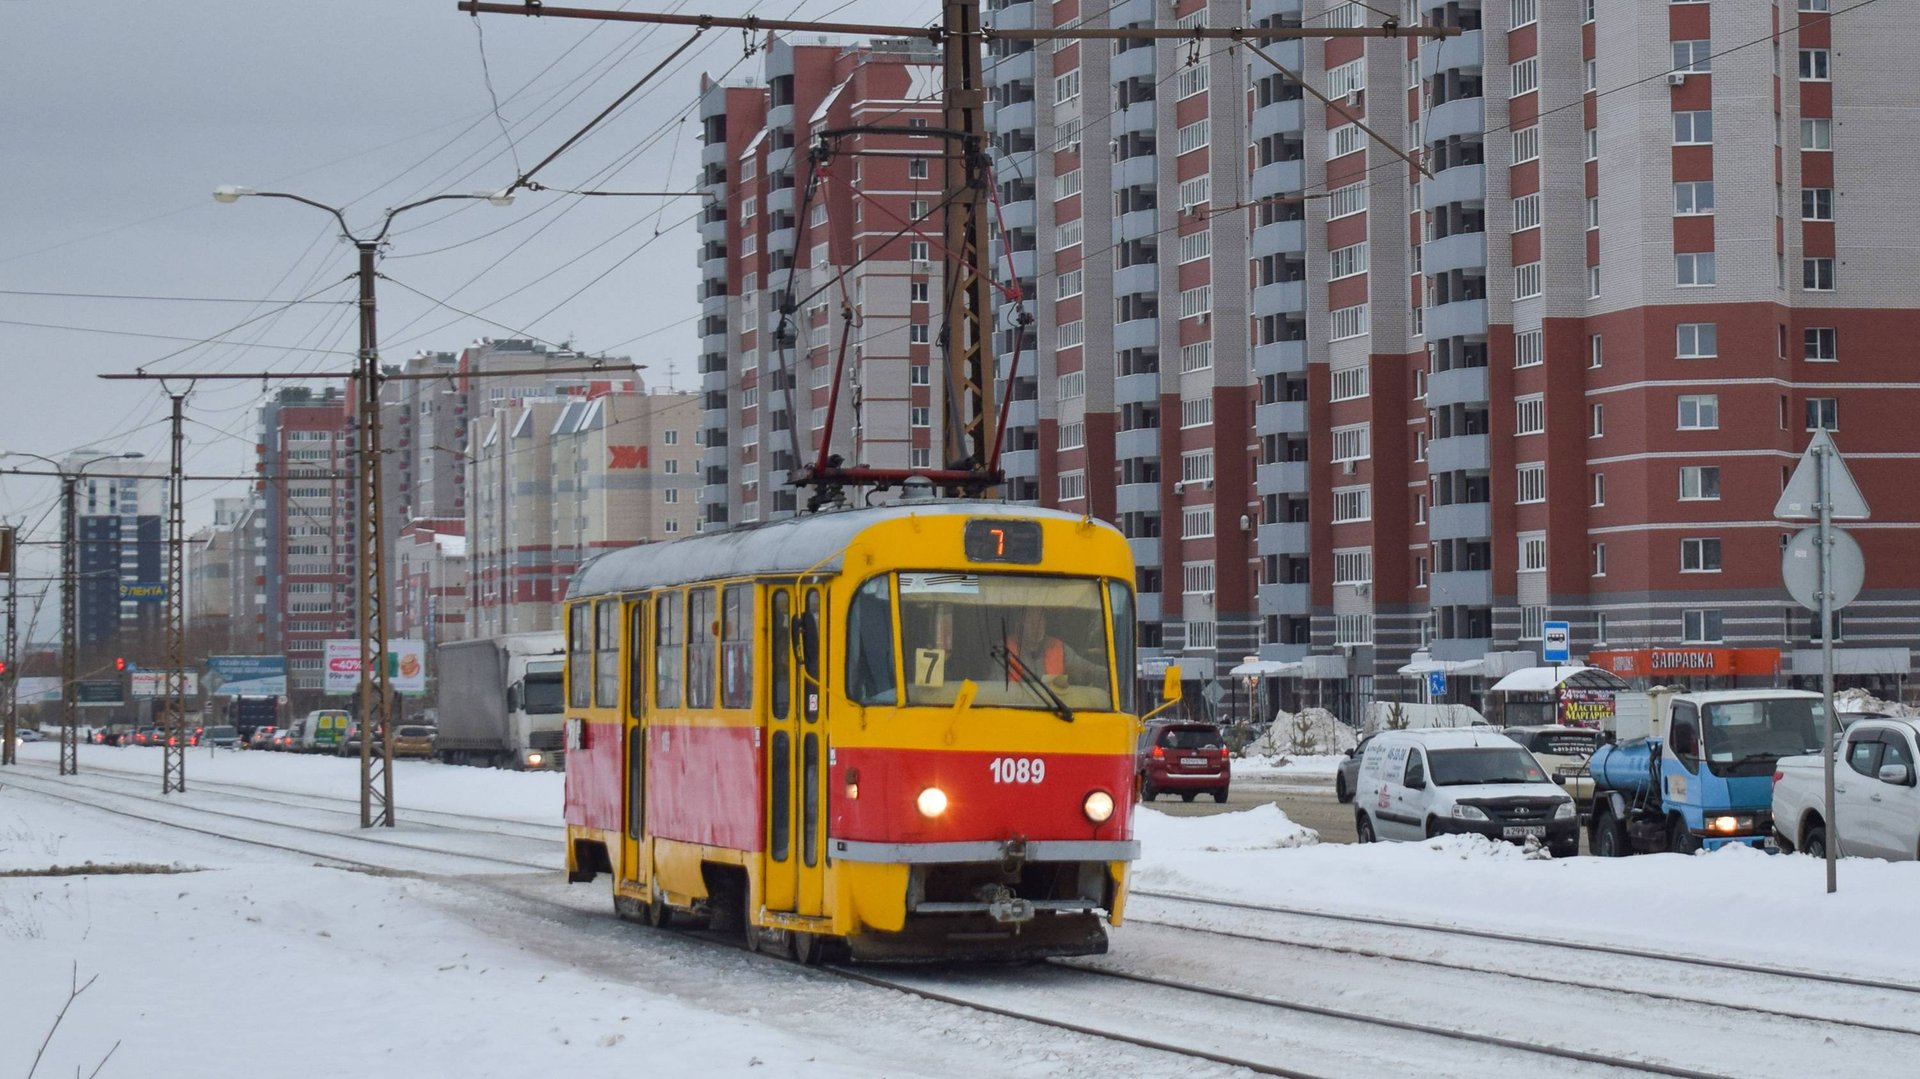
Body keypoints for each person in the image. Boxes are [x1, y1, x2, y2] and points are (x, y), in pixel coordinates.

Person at [1005, 607, 1102, 686]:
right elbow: (997, 688)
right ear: (1019, 626)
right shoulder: (1005, 649)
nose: (1037, 626)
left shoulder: (1059, 648)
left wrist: (1108, 678)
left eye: (1041, 620)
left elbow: (1089, 670)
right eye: (1031, 622)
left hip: (1055, 708)